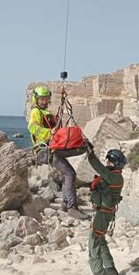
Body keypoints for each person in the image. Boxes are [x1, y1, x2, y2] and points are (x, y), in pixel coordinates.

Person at [28, 86, 90, 220]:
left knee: (66, 173)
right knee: (70, 173)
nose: (44, 101)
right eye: (42, 99)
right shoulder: (35, 112)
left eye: (46, 99)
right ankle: (72, 208)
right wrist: (48, 132)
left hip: (52, 148)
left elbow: (56, 129)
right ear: (36, 99)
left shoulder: (46, 114)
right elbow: (32, 128)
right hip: (44, 151)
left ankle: (65, 204)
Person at [86, 146, 126, 275]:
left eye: (109, 161)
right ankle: (110, 269)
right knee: (101, 239)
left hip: (103, 213)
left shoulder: (114, 177)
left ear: (116, 164)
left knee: (94, 243)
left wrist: (90, 155)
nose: (107, 163)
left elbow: (100, 168)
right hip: (104, 212)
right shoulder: (114, 177)